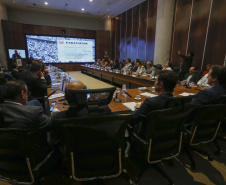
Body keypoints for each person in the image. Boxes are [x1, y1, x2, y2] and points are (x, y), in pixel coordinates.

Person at [0, 80, 54, 162]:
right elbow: (53, 124)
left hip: (4, 162)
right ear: (23, 94)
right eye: (27, 93)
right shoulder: (33, 113)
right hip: (33, 160)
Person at [131, 71, 178, 138]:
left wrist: (138, 108)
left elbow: (132, 119)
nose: (154, 83)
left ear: (161, 85)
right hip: (168, 138)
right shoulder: (177, 102)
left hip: (147, 139)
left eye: (156, 81)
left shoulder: (150, 102)